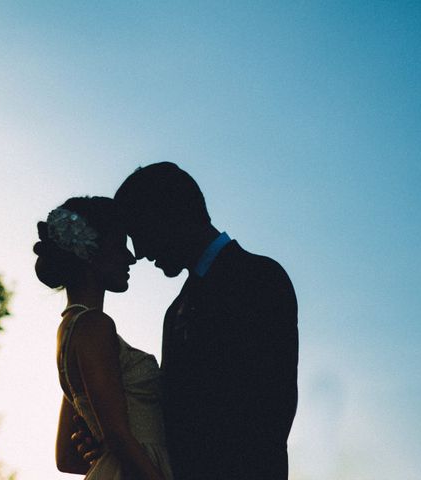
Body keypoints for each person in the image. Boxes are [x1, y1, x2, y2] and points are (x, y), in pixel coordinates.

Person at [75, 163, 298, 479]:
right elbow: (174, 412)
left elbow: (271, 407)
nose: (138, 252)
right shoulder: (174, 311)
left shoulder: (259, 276)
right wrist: (113, 436)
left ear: (166, 214)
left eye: (138, 232)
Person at [34, 196, 174, 480]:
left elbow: (67, 457)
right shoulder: (95, 326)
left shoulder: (71, 330)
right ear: (90, 252)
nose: (130, 257)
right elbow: (118, 436)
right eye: (120, 245)